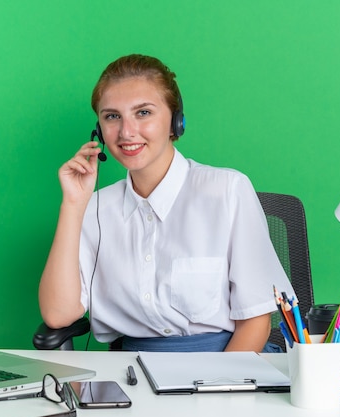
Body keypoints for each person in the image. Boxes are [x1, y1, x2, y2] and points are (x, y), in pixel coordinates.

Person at [39, 54, 294, 352]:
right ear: (99, 129)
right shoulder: (95, 208)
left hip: (227, 368)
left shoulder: (226, 190)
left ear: (176, 122)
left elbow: (256, 323)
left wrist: (214, 390)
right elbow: (58, 315)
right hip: (131, 373)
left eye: (143, 113)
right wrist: (73, 204)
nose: (126, 132)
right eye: (112, 116)